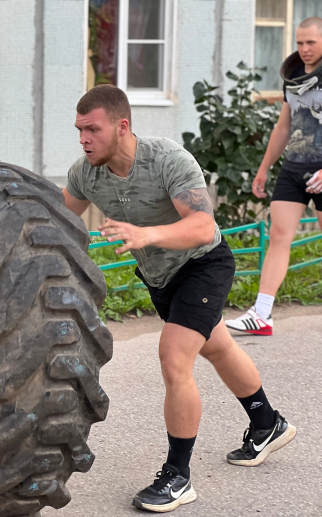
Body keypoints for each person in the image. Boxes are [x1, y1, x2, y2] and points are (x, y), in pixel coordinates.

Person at [63, 84, 296, 513]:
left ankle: (178, 476)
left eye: (92, 129)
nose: (84, 139)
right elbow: (58, 218)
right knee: (219, 346)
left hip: (203, 265)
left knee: (174, 357)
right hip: (160, 277)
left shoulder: (166, 159)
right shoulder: (86, 172)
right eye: (79, 130)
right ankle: (267, 423)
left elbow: (204, 227)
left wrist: (145, 235)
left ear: (122, 126)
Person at [226, 17, 322, 336]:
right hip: (294, 167)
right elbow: (283, 126)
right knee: (279, 236)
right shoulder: (292, 77)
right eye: (299, 43)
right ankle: (262, 314)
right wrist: (264, 167)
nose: (304, 49)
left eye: (311, 42)